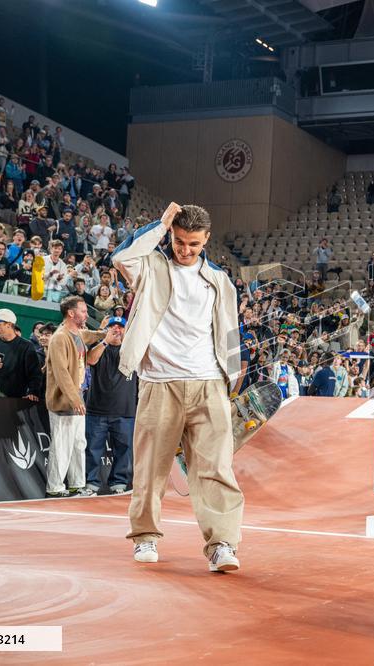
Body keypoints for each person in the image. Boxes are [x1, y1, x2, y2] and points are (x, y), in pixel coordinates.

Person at [113, 202, 243, 573]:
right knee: (150, 468)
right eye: (180, 241)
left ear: (207, 241)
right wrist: (160, 224)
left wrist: (231, 377)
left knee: (216, 468)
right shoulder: (151, 266)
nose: (185, 250)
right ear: (171, 234)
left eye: (195, 245)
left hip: (208, 383)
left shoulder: (219, 279)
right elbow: (122, 256)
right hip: (159, 383)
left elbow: (229, 329)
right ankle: (145, 536)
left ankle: (222, 544)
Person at [45, 296, 106, 498]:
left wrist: (104, 334)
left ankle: (76, 485)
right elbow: (61, 373)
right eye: (83, 311)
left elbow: (88, 335)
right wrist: (75, 399)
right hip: (65, 402)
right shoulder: (60, 338)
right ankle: (54, 487)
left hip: (77, 398)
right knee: (61, 446)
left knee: (79, 444)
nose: (87, 314)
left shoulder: (77, 333)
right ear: (71, 313)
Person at [84, 316, 136, 495]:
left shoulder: (132, 350)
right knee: (92, 449)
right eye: (112, 327)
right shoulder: (99, 347)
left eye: (120, 327)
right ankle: (91, 485)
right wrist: (105, 341)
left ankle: (119, 484)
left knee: (123, 450)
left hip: (125, 411)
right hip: (97, 410)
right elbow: (90, 360)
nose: (116, 330)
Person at [0, 308, 43, 400]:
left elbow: (35, 374)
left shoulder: (26, 347)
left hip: (15, 402)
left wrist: (33, 392)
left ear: (9, 325)